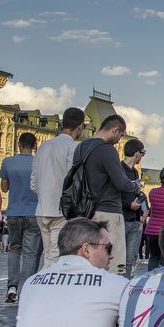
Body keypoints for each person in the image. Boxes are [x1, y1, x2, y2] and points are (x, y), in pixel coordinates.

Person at [73, 115, 141, 275]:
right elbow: (121, 183)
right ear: (115, 130)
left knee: (89, 261)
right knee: (114, 262)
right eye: (120, 135)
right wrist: (135, 185)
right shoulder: (107, 150)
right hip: (109, 211)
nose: (119, 140)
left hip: (86, 211)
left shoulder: (80, 148)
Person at [32, 106, 86, 267]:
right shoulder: (73, 147)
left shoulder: (43, 147)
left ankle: (43, 286)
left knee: (48, 254)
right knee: (56, 257)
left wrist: (45, 193)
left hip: (41, 209)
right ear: (80, 126)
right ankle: (48, 289)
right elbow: (73, 179)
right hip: (60, 210)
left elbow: (33, 183)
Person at [1, 132, 41, 302]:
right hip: (33, 212)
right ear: (34, 145)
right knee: (31, 253)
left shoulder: (8, 162)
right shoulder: (38, 163)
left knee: (14, 249)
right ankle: (26, 289)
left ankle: (12, 286)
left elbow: (4, 188)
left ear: (19, 144)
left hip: (13, 212)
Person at [119, 139, 146, 279]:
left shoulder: (135, 172)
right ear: (136, 153)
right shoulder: (118, 169)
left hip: (134, 220)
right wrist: (129, 205)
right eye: (142, 153)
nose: (142, 157)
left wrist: (140, 218)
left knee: (129, 260)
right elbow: (114, 196)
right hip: (121, 219)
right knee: (118, 258)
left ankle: (125, 285)